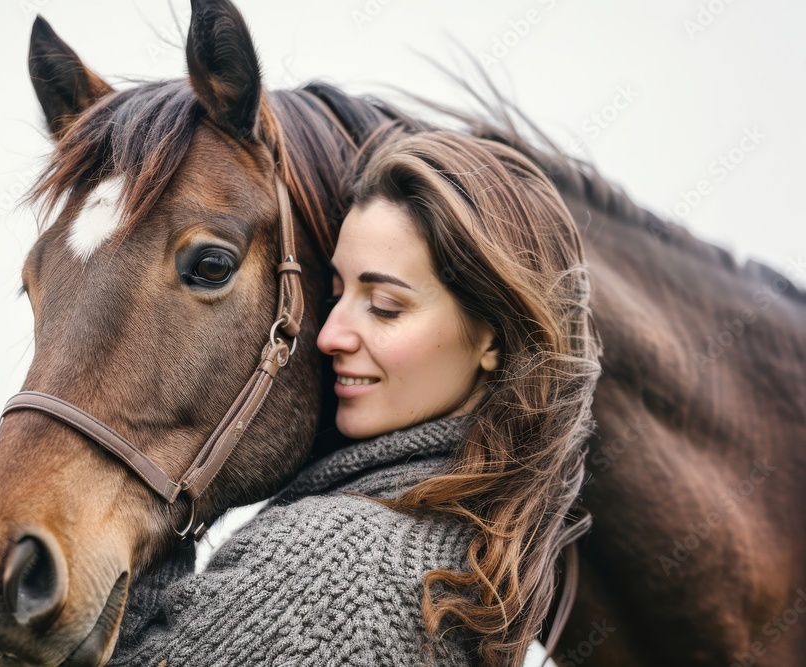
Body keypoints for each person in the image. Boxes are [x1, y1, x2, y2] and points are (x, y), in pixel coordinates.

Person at [108, 128, 601, 667]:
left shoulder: (338, 570)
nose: (328, 336)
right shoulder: (456, 561)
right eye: (337, 293)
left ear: (493, 337)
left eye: (386, 305)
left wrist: (141, 494)